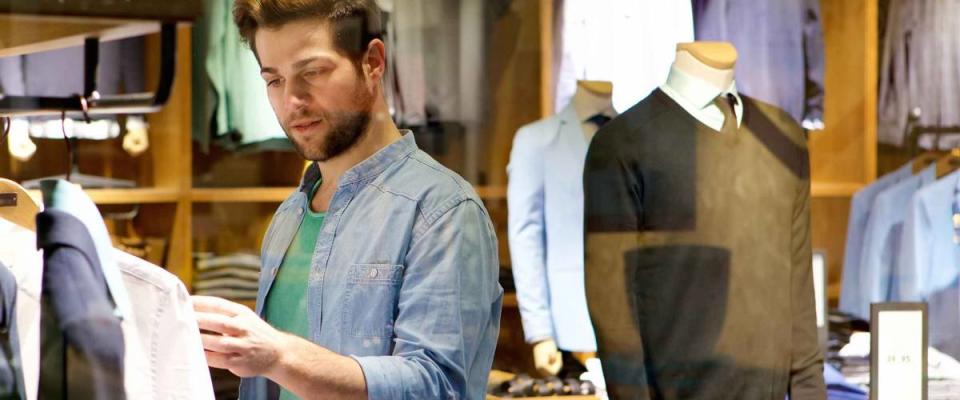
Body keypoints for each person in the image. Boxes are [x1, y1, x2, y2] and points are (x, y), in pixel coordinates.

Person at [192, 1, 503, 399]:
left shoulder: (442, 212)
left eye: (313, 72)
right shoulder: (290, 215)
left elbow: (437, 387)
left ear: (372, 62)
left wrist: (279, 356)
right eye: (274, 80)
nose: (292, 101)